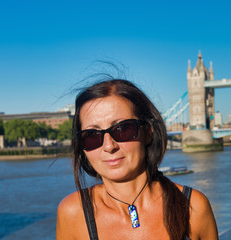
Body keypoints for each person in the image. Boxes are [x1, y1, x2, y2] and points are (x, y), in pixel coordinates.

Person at [56, 79, 218, 240]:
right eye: (92, 136)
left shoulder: (192, 206)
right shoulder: (73, 213)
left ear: (148, 132)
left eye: (122, 129)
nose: (109, 146)